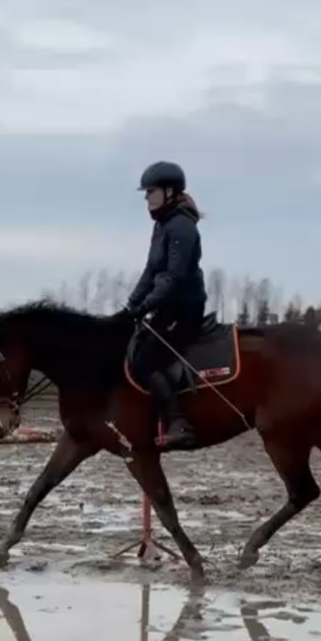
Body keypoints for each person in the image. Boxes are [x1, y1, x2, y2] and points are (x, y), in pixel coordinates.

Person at [118, 161, 207, 450]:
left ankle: (178, 422)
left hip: (184, 309)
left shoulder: (181, 226)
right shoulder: (163, 225)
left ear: (169, 191)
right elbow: (151, 271)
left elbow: (173, 277)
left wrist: (145, 306)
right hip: (168, 306)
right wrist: (130, 306)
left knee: (146, 359)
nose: (146, 198)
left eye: (150, 192)